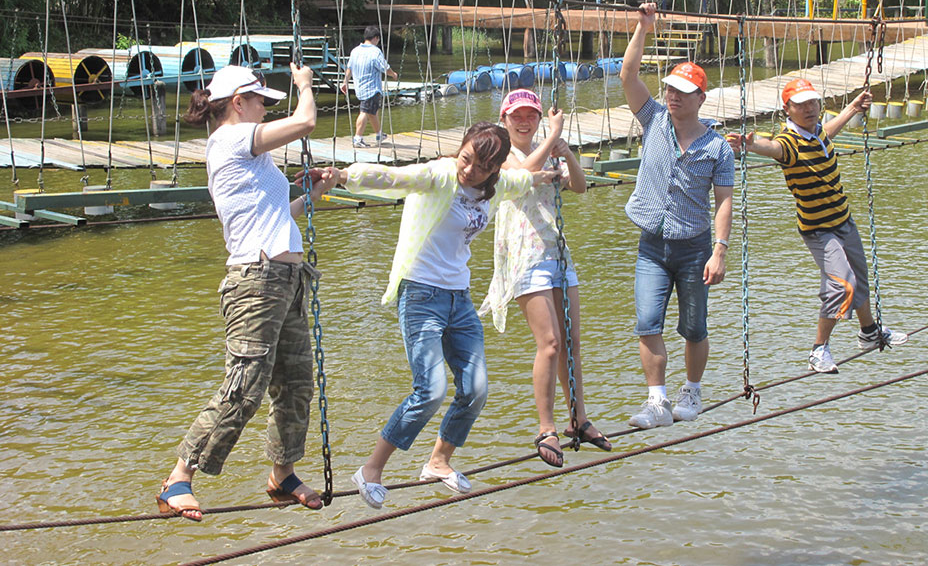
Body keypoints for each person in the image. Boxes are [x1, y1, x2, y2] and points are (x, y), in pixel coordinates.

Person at [337, 122, 557, 509]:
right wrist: (341, 176)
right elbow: (391, 177)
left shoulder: (494, 187)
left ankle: (438, 461)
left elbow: (521, 180)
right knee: (431, 390)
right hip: (421, 294)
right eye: (466, 158)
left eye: (482, 167)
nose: (469, 171)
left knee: (475, 389)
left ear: (494, 169)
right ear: (461, 149)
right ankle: (370, 470)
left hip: (459, 299)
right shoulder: (439, 175)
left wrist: (546, 175)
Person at [156, 64, 342, 521]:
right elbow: (305, 122)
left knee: (296, 385)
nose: (265, 109)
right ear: (238, 102)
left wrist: (314, 193)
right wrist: (304, 86)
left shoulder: (253, 156)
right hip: (256, 283)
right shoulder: (229, 139)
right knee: (244, 386)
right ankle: (178, 478)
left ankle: (283, 474)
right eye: (261, 101)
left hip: (286, 281)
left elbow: (278, 216)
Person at [725, 78, 908, 373]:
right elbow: (773, 148)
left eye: (813, 102)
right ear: (787, 109)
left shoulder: (817, 132)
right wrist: (751, 145)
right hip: (819, 229)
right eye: (801, 105)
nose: (809, 109)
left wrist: (852, 108)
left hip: (843, 220)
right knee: (843, 284)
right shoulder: (790, 143)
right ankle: (818, 350)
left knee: (859, 279)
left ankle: (869, 333)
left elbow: (828, 132)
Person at [478, 89, 610, 467]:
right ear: (504, 119)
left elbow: (579, 186)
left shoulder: (547, 150)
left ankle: (578, 419)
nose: (524, 122)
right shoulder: (499, 154)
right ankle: (545, 427)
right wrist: (553, 136)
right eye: (516, 116)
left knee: (572, 342)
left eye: (531, 116)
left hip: (558, 254)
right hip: (524, 257)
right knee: (549, 343)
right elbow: (521, 176)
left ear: (538, 119)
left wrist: (566, 153)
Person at [619, 3, 735, 429]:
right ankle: (656, 401)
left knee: (694, 327)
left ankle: (692, 390)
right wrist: (643, 27)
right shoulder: (653, 120)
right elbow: (628, 76)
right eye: (670, 88)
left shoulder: (718, 148)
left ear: (700, 98)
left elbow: (724, 201)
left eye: (683, 92)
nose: (673, 96)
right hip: (652, 244)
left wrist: (719, 251)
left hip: (694, 248)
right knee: (647, 322)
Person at [340, 25, 398, 148]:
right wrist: (393, 74)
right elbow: (384, 67)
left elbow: (349, 68)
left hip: (359, 87)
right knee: (365, 112)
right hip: (371, 88)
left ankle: (379, 134)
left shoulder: (355, 51)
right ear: (376, 38)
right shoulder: (375, 52)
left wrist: (345, 82)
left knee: (372, 111)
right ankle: (358, 138)